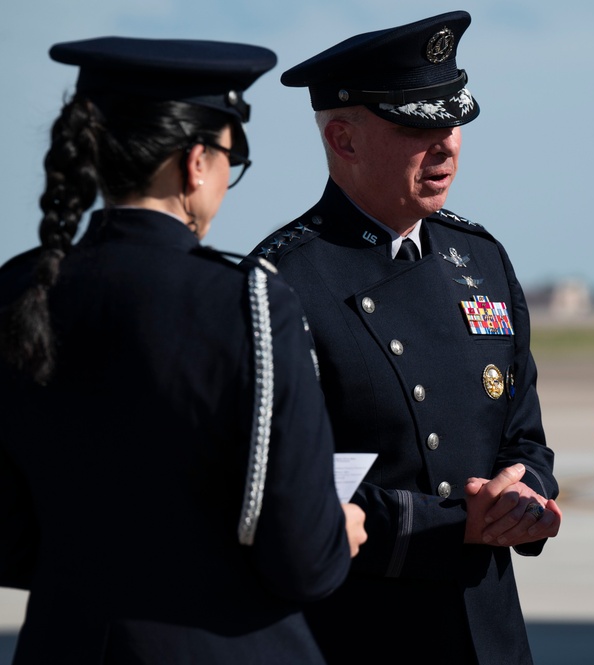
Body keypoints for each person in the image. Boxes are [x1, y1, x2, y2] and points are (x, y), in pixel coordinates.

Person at [0, 37, 367, 664]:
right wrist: (340, 531)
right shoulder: (248, 304)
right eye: (231, 157)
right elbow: (303, 561)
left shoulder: (17, 287)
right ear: (196, 161)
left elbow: (8, 538)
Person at [245, 11, 560, 665]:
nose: (445, 144)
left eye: (452, 123)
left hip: (488, 627)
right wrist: (450, 525)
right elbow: (281, 484)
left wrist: (523, 494)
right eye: (417, 127)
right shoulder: (284, 278)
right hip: (364, 630)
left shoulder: (480, 259)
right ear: (343, 138)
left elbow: (524, 436)